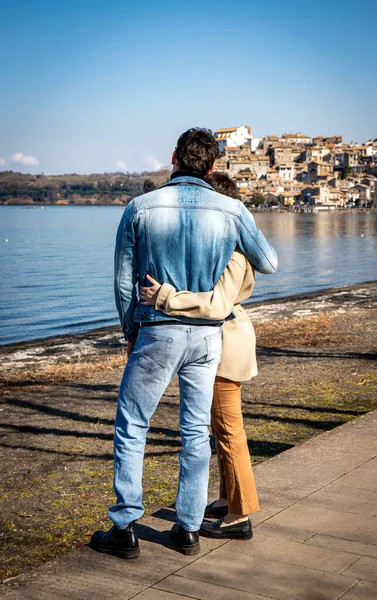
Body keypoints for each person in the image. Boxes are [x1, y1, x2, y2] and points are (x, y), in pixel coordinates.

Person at [90, 128, 277, 558]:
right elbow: (268, 261)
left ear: (174, 157)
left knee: (133, 424)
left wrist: (131, 330)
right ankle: (188, 529)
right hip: (208, 337)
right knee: (195, 431)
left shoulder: (140, 207)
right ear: (212, 167)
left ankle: (124, 527)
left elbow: (123, 281)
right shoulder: (231, 209)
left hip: (158, 327)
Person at [139, 173, 261, 541]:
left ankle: (240, 515)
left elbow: (217, 304)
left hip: (227, 343)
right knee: (221, 429)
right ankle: (226, 500)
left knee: (228, 432)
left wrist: (165, 297)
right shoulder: (226, 247)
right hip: (222, 340)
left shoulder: (235, 254)